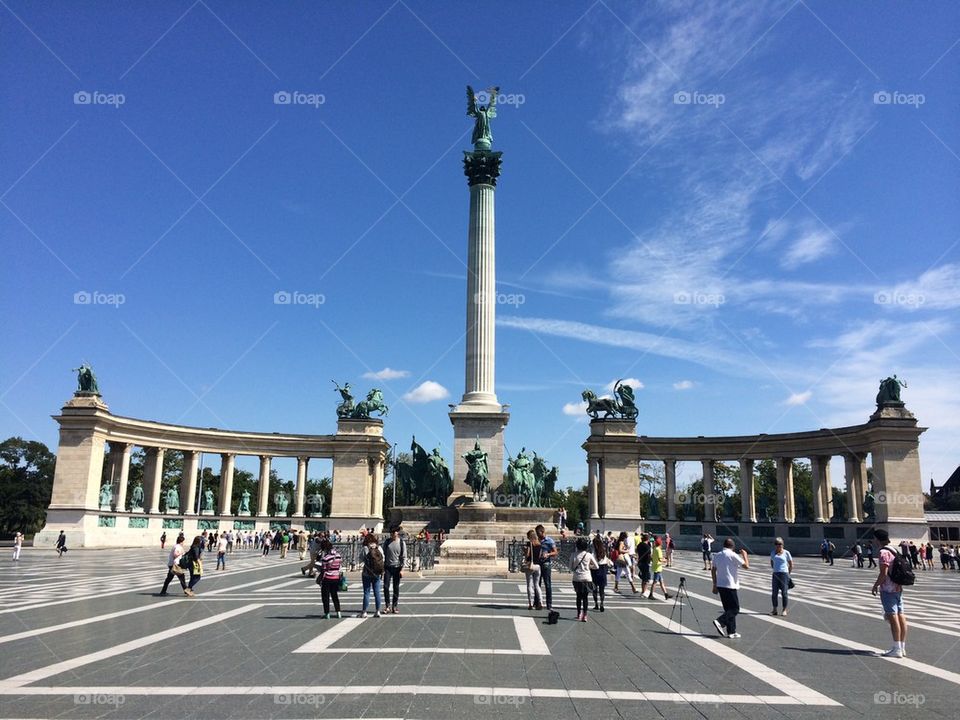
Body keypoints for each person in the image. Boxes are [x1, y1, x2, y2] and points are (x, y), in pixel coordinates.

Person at [871, 528, 907, 658]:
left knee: (893, 617)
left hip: (888, 589)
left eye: (874, 538)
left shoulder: (883, 552)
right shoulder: (893, 550)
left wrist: (876, 585)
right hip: (898, 587)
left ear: (877, 539)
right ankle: (902, 647)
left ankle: (896, 648)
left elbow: (883, 573)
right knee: (901, 615)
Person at [711, 538, 750, 639]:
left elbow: (713, 569)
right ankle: (720, 621)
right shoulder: (733, 555)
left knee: (728, 609)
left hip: (720, 585)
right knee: (735, 609)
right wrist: (745, 555)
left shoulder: (717, 555)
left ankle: (731, 631)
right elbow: (746, 566)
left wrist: (714, 584)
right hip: (730, 585)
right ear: (733, 546)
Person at [569, 536, 599, 622]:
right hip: (587, 578)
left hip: (577, 578)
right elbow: (596, 566)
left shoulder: (573, 555)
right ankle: (585, 615)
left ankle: (579, 613)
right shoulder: (588, 555)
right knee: (585, 597)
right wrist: (589, 567)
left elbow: (570, 567)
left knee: (578, 597)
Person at [359, 532, 384, 618]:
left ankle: (364, 612)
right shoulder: (379, 548)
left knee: (367, 592)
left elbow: (360, 559)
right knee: (377, 592)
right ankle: (378, 611)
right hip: (376, 573)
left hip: (366, 573)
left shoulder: (365, 548)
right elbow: (383, 558)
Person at [316, 538, 342, 619]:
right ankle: (338, 612)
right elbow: (339, 566)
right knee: (335, 595)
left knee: (325, 596)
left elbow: (323, 569)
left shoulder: (326, 558)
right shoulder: (338, 556)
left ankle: (327, 613)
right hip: (336, 577)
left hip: (327, 578)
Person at [382, 527, 406, 614]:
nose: (393, 535)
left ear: (397, 533)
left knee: (396, 587)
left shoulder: (401, 543)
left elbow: (404, 556)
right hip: (387, 567)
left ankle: (394, 606)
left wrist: (402, 569)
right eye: (391, 533)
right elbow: (383, 555)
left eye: (394, 533)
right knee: (385, 586)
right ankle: (387, 605)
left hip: (397, 567)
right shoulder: (387, 542)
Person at [535, 524, 558, 610]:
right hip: (537, 564)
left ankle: (549, 603)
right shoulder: (536, 541)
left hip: (546, 564)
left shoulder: (549, 541)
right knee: (537, 584)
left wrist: (548, 554)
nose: (538, 535)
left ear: (543, 532)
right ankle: (537, 602)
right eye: (537, 533)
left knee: (547, 584)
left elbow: (555, 552)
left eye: (538, 533)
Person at [770, 537, 793, 616]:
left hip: (784, 574)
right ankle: (774, 609)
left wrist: (788, 573)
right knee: (774, 592)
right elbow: (772, 562)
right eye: (776, 544)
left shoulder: (786, 553)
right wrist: (775, 569)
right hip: (775, 574)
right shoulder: (773, 553)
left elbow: (791, 564)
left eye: (780, 544)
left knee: (784, 593)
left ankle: (784, 609)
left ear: (783, 544)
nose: (778, 545)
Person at [523, 529, 543, 610]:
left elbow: (527, 554)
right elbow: (540, 555)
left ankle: (530, 603)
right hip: (538, 566)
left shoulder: (529, 544)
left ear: (529, 537)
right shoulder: (539, 544)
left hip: (530, 565)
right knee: (537, 585)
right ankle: (541, 602)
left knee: (529, 585)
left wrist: (525, 552)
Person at [591, 534, 609, 612]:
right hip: (603, 569)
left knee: (594, 589)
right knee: (602, 589)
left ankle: (596, 604)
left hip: (595, 570)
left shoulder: (593, 552)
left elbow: (591, 562)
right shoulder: (603, 551)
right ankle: (602, 603)